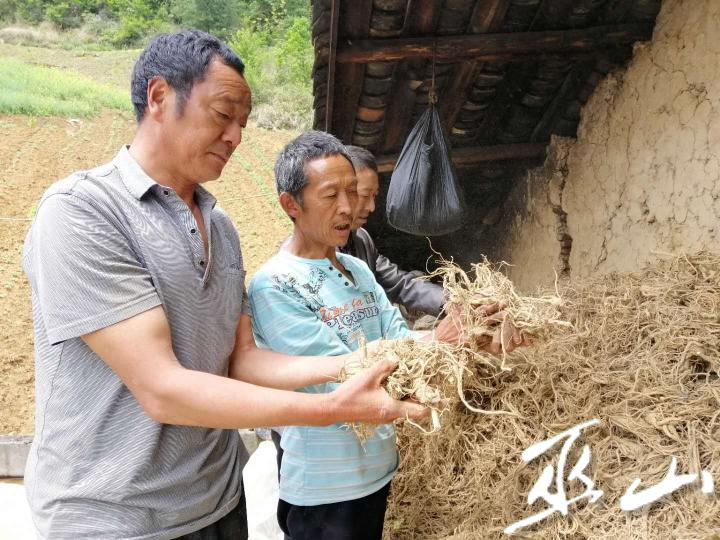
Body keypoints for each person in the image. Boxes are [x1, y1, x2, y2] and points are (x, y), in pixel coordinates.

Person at [21, 30, 427, 540]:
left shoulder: (222, 228)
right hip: (116, 518)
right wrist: (331, 408)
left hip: (217, 501)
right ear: (159, 97)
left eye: (242, 122)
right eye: (222, 114)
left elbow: (242, 360)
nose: (236, 136)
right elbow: (163, 389)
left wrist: (359, 365)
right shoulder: (84, 212)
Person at [249, 131, 525, 540]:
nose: (349, 207)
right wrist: (438, 342)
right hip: (325, 487)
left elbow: (398, 335)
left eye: (352, 192)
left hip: (376, 470)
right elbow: (342, 369)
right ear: (291, 204)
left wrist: (472, 334)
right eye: (330, 195)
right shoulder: (275, 284)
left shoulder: (357, 269)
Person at [342, 145, 445, 317]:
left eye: (374, 196)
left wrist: (448, 300)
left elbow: (398, 283)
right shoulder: (311, 255)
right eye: (365, 195)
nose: (372, 207)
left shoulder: (361, 239)